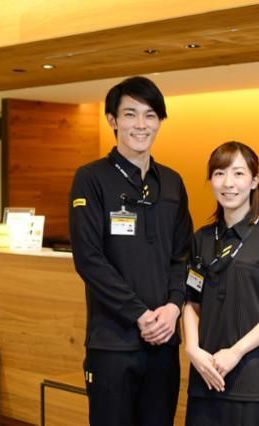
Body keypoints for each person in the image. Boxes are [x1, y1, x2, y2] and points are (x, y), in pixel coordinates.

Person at [69, 76, 193, 426]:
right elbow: (89, 259)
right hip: (112, 343)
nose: (141, 124)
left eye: (150, 115)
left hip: (163, 342)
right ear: (112, 120)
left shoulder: (172, 182)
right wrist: (139, 314)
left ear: (160, 121)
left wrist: (173, 307)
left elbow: (182, 255)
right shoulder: (90, 179)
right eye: (130, 114)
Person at [184, 141, 259, 426]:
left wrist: (236, 351)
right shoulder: (201, 238)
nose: (228, 183)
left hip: (252, 378)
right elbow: (191, 302)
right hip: (206, 374)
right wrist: (193, 349)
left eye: (238, 173)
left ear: (254, 181)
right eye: (219, 173)